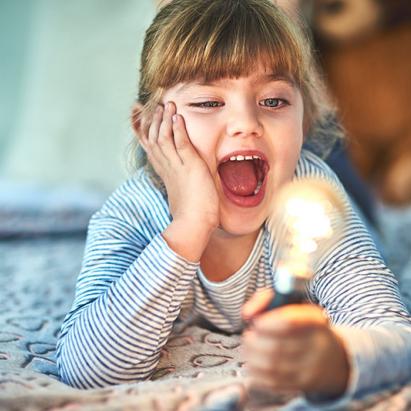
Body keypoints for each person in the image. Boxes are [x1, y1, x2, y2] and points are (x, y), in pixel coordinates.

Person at [56, 0, 411, 407]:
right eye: (208, 102)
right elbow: (85, 367)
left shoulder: (310, 195)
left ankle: (286, 32)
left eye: (273, 100)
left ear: (301, 116)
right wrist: (191, 224)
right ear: (147, 128)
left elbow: (396, 335)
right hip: (262, 155)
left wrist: (337, 362)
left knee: (327, 160)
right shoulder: (134, 212)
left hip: (316, 173)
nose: (246, 122)